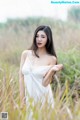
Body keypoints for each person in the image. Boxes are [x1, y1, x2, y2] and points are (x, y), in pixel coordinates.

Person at [19, 25, 63, 111]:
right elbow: (21, 77)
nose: (39, 39)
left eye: (43, 37)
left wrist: (52, 71)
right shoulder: (25, 54)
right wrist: (22, 98)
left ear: (48, 39)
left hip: (44, 98)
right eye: (37, 36)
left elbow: (45, 83)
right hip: (28, 97)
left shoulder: (52, 58)